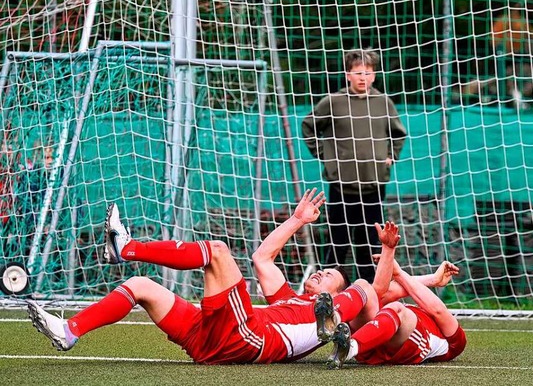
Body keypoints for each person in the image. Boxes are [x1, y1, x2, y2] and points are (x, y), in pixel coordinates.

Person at [27, 189, 380, 364]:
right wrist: (298, 220)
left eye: (330, 272)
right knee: (141, 286)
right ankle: (70, 331)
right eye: (322, 268)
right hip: (212, 339)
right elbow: (261, 258)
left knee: (218, 251)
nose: (321, 271)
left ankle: (127, 248)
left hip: (248, 339)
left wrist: (357, 335)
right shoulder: (289, 297)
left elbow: (370, 290)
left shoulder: (340, 305)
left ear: (337, 293)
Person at [301, 48, 407, 283]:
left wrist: (391, 155)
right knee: (337, 239)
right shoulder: (334, 101)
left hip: (373, 184)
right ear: (347, 74)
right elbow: (308, 126)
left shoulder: (383, 102)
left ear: (375, 75)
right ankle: (327, 289)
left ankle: (370, 289)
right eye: (357, 72)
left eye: (368, 73)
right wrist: (324, 154)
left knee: (370, 240)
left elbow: (399, 134)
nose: (363, 78)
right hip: (341, 184)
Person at [319, 220, 466, 368]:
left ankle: (348, 346)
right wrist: (428, 278)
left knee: (391, 304)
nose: (319, 272)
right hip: (371, 342)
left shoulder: (456, 341)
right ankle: (335, 321)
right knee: (365, 287)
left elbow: (437, 309)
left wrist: (395, 265)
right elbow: (384, 291)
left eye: (327, 274)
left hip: (394, 345)